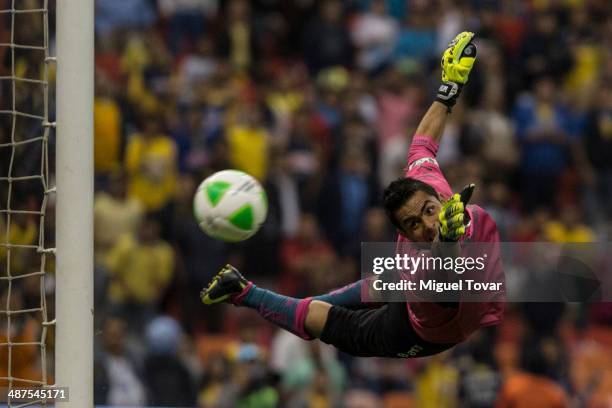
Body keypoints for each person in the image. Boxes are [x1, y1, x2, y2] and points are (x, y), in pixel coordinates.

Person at [201, 32, 504, 358]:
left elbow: (423, 142)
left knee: (316, 310)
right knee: (316, 315)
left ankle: (242, 291)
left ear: (440, 196)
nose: (427, 225)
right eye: (413, 224)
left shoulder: (427, 183)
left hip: (428, 318)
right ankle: (243, 291)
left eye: (429, 211)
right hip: (410, 328)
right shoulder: (421, 267)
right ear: (402, 235)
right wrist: (446, 241)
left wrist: (449, 90)